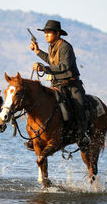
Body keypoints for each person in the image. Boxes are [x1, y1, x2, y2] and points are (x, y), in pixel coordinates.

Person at [29, 20, 91, 150]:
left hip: (71, 85)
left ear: (57, 33)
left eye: (49, 32)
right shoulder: (52, 46)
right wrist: (37, 51)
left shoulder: (65, 47)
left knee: (79, 105)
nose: (46, 35)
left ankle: (82, 135)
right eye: (45, 32)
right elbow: (51, 61)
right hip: (56, 84)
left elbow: (64, 66)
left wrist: (44, 69)